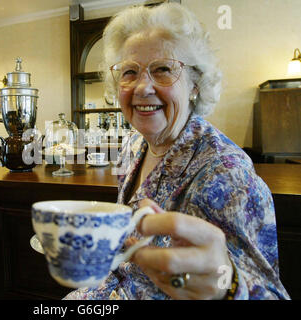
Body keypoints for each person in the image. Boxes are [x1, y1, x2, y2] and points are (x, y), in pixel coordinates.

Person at [64, 3, 290, 300]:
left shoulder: (226, 173)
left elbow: (269, 294)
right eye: (130, 72)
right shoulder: (134, 145)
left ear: (194, 84)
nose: (143, 87)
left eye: (162, 69)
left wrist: (228, 288)